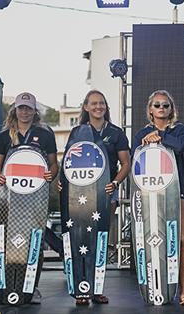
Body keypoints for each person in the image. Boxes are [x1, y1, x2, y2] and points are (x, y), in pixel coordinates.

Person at [0, 92, 58, 304]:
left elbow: (53, 164)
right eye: (21, 108)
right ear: (15, 110)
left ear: (34, 111)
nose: (25, 112)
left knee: (34, 241)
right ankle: (8, 286)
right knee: (8, 241)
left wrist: (51, 173)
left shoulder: (45, 134)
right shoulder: (4, 136)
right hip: (10, 199)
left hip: (35, 197)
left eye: (29, 108)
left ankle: (31, 286)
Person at [66, 89, 130, 305]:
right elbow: (68, 161)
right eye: (93, 103)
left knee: (100, 240)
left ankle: (97, 288)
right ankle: (81, 289)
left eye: (101, 103)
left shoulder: (116, 132)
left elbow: (126, 164)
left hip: (105, 195)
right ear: (85, 107)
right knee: (79, 242)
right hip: (79, 197)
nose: (98, 107)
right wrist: (61, 183)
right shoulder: (76, 132)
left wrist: (115, 183)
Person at [132, 90, 184, 306]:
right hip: (149, 195)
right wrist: (146, 140)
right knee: (151, 240)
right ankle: (153, 289)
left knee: (182, 240)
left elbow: (181, 146)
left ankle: (183, 291)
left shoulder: (180, 130)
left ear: (171, 109)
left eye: (165, 105)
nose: (161, 109)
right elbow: (134, 161)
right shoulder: (141, 133)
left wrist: (161, 136)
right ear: (150, 109)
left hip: (176, 193)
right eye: (157, 105)